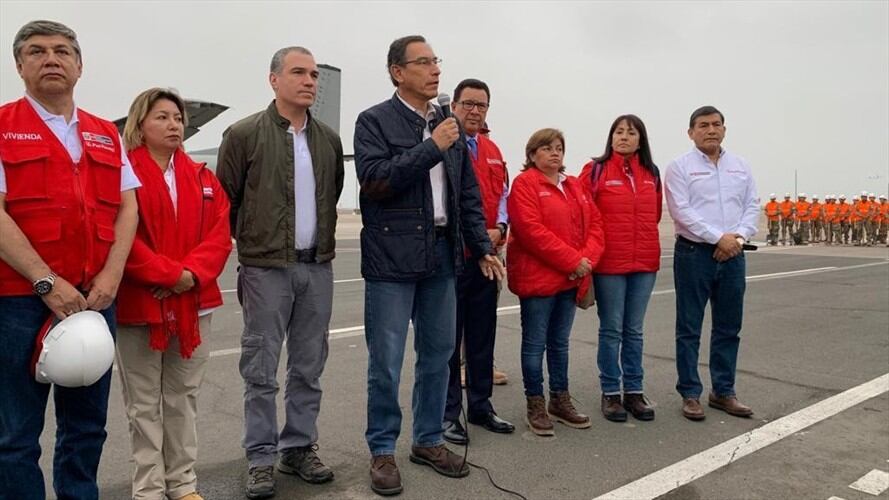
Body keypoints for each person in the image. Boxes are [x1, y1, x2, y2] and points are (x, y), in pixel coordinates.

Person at [353, 35, 504, 496]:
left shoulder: (446, 123)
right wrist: (431, 147)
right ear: (398, 72)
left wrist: (480, 246)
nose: (435, 69)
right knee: (386, 360)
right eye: (423, 62)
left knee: (439, 354)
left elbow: (467, 194)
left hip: (442, 254)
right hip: (391, 256)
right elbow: (375, 181)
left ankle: (428, 439)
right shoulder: (374, 121)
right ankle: (383, 449)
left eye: (436, 61)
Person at [0, 20, 140, 500]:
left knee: (86, 428)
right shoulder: (3, 126)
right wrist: (45, 282)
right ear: (19, 66)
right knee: (15, 435)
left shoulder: (105, 134)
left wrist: (112, 276)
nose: (51, 59)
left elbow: (128, 207)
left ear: (80, 66)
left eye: (62, 51)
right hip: (18, 302)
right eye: (37, 52)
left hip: (94, 299)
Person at [217, 46, 345, 500]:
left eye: (313, 74)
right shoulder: (243, 134)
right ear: (274, 80)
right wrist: (255, 245)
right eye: (298, 72)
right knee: (261, 370)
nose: (309, 81)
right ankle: (260, 458)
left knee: (309, 366)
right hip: (265, 270)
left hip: (317, 268)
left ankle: (298, 448)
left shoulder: (328, 140)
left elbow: (332, 193)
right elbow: (226, 201)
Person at [115, 88, 232, 500]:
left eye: (178, 118)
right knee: (143, 405)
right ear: (140, 124)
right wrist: (169, 275)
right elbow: (120, 235)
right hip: (140, 307)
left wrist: (189, 276)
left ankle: (182, 483)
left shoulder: (203, 176)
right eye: (162, 117)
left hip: (193, 304)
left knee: (183, 399)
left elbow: (219, 234)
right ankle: (148, 488)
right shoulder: (122, 174)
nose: (174, 125)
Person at [664, 106, 759, 421]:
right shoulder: (680, 167)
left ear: (724, 129)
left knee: (729, 327)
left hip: (733, 255)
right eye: (703, 125)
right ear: (691, 132)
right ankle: (690, 393)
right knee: (689, 327)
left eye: (716, 124)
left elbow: (752, 206)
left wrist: (738, 239)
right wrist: (718, 238)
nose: (711, 130)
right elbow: (681, 210)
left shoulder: (740, 166)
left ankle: (723, 391)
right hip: (694, 254)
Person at [507, 128, 604, 435]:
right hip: (539, 279)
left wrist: (585, 261)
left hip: (570, 279)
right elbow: (531, 231)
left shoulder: (574, 185)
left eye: (559, 148)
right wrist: (572, 261)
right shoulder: (525, 184)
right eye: (547, 148)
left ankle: (560, 399)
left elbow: (595, 226)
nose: (554, 153)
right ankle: (534, 403)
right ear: (532, 154)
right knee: (534, 344)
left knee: (560, 343)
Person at [442, 78, 514, 446]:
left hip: (488, 258)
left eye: (481, 105)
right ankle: (448, 413)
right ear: (454, 106)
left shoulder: (492, 149)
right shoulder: (444, 145)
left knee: (483, 336)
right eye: (468, 103)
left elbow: (503, 196)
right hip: (454, 258)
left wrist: (500, 228)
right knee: (448, 341)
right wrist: (476, 238)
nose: (474, 111)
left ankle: (481, 406)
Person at [578, 115, 661, 422]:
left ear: (641, 140)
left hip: (644, 263)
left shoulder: (652, 173)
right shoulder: (595, 170)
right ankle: (611, 392)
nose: (624, 137)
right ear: (611, 137)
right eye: (619, 132)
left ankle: (634, 391)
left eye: (631, 133)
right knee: (612, 329)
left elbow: (654, 215)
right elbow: (582, 212)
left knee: (634, 330)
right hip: (610, 264)